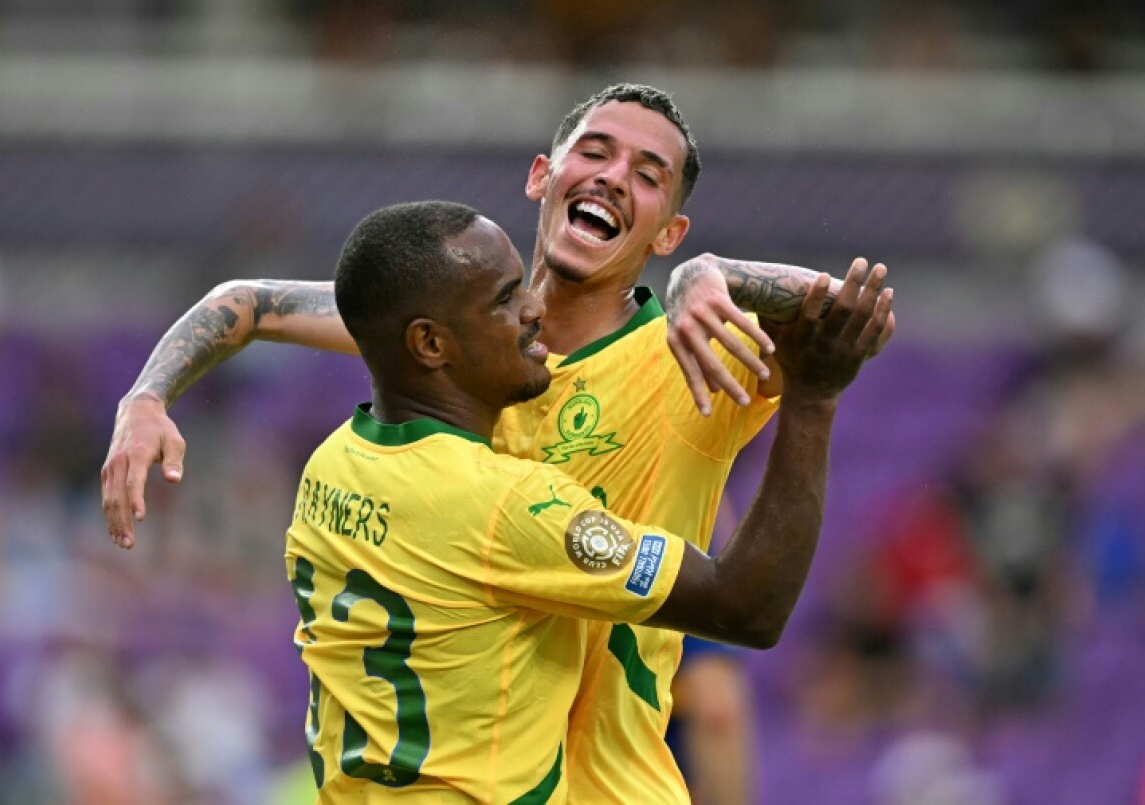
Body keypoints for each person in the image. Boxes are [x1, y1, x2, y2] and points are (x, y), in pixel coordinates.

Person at [102, 84, 894, 801]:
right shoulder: (460, 329)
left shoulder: (692, 347)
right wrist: (146, 394)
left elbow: (847, 311)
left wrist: (713, 273)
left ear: (668, 231)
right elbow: (245, 301)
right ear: (541, 175)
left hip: (615, 782)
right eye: (596, 150)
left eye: (649, 175)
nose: (616, 175)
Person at [284, 199, 889, 800]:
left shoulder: (331, 466)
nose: (533, 307)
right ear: (430, 345)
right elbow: (746, 610)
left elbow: (256, 306)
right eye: (504, 298)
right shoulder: (510, 506)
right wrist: (812, 398)